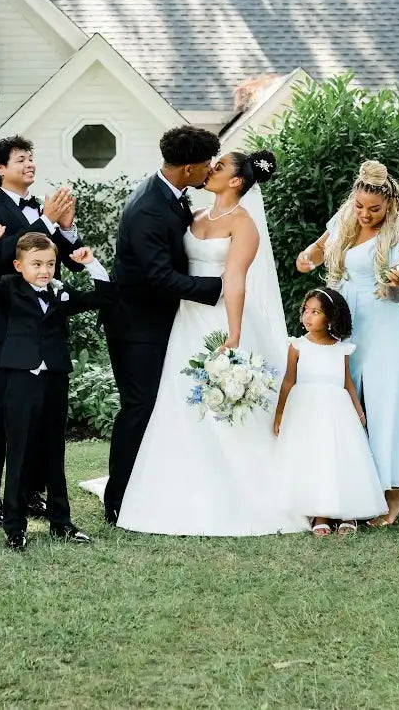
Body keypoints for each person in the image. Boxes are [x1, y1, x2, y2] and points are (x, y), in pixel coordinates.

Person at [101, 148, 306, 536]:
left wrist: (234, 334)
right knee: (177, 401)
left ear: (236, 181)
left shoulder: (244, 224)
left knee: (224, 406)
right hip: (185, 320)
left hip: (221, 317)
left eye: (221, 166)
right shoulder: (193, 215)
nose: (212, 169)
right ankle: (171, 484)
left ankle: (239, 486)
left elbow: (236, 281)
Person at [98, 126, 226, 524]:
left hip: (160, 319)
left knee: (158, 404)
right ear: (188, 168)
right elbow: (159, 277)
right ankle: (118, 498)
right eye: (206, 164)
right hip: (135, 324)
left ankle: (150, 485)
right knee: (139, 407)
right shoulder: (148, 209)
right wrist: (219, 287)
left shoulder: (171, 194)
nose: (210, 170)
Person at [0, 229, 113, 551]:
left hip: (55, 378)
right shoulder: (9, 288)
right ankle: (15, 527)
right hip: (22, 377)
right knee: (19, 451)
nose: (45, 271)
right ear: (19, 265)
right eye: (36, 264)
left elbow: (104, 297)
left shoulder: (60, 291)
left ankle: (61, 523)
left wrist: (91, 264)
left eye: (50, 264)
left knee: (53, 450)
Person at [296, 160, 399, 527]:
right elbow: (312, 256)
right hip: (344, 321)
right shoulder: (342, 223)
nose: (366, 215)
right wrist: (308, 258)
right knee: (343, 404)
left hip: (383, 324)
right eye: (360, 206)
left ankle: (394, 494)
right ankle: (346, 488)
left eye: (375, 209)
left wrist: (394, 285)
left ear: (390, 205)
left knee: (384, 404)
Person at [0, 136, 82, 529]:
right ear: (0, 169)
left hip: (46, 333)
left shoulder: (44, 208)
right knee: (2, 411)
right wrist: (47, 221)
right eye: (21, 159)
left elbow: (73, 263)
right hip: (6, 330)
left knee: (41, 414)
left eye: (31, 158)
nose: (30, 164)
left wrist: (66, 228)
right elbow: (1, 259)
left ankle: (31, 491)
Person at [272, 288, 385, 536]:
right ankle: (320, 514)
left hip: (337, 413)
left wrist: (359, 411)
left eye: (316, 312)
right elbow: (288, 381)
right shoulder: (297, 346)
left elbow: (347, 383)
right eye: (306, 310)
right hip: (306, 412)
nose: (308, 316)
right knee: (315, 459)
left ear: (331, 317)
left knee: (341, 457)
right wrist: (280, 413)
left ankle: (348, 512)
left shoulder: (341, 349)